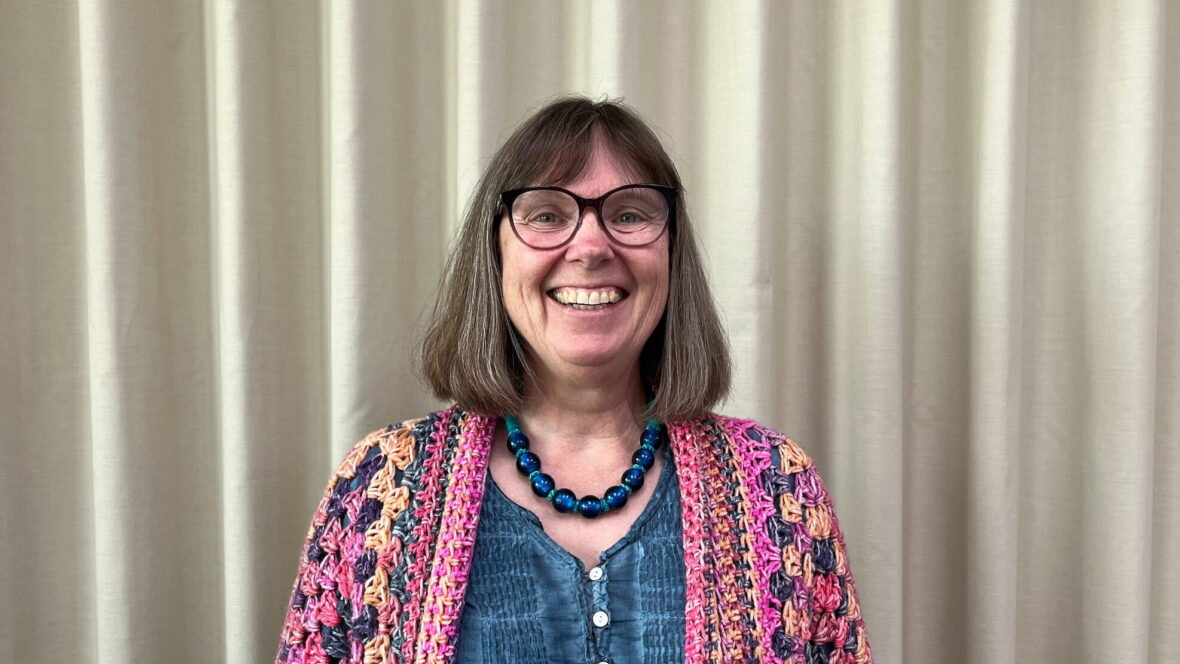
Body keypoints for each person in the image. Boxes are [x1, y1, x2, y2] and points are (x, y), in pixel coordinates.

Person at [274, 96, 873, 664]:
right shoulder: (379, 489)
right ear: (496, 254)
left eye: (629, 214)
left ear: (672, 255)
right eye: (546, 215)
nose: (590, 246)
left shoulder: (776, 487)